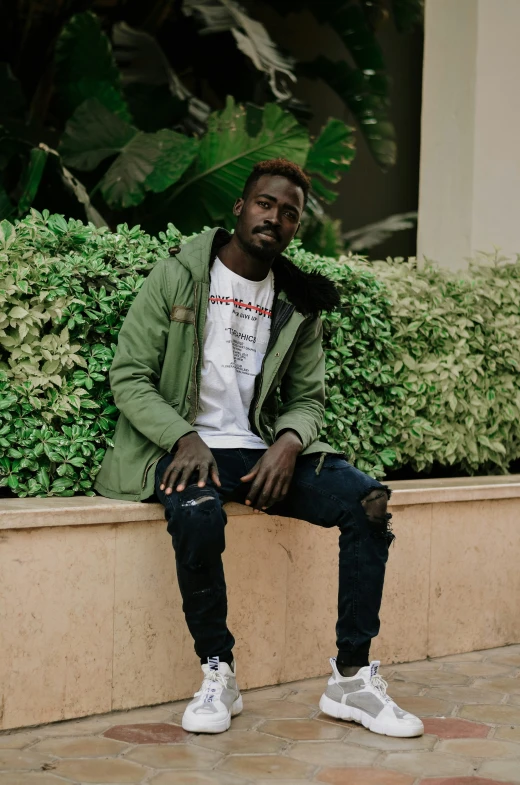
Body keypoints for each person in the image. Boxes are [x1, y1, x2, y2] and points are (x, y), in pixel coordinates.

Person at [95, 158, 424, 739]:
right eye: (266, 204)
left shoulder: (296, 302)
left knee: (368, 502)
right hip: (185, 448)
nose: (275, 217)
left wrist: (290, 443)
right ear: (240, 208)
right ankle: (218, 670)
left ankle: (350, 679)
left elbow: (309, 398)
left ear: (297, 228)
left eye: (289, 213)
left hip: (259, 453)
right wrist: (183, 437)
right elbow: (128, 376)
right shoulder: (178, 277)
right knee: (196, 514)